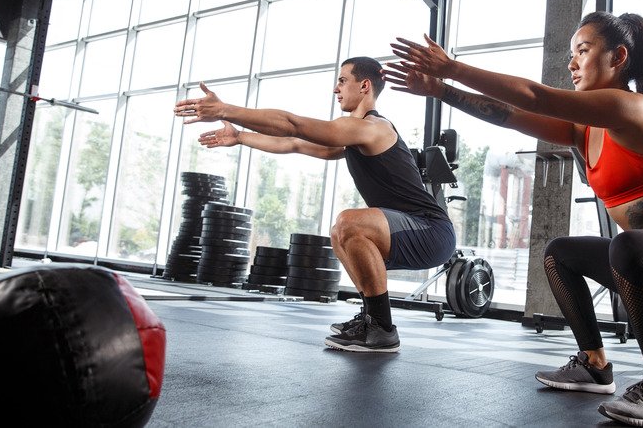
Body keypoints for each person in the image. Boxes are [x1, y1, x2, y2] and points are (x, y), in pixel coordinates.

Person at [384, 12, 643, 426]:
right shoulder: (585, 129)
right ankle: (594, 364)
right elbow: (508, 114)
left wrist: (453, 68)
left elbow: (535, 96)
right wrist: (440, 90)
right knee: (560, 253)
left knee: (627, 244)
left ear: (619, 57)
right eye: (571, 54)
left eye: (583, 52)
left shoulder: (635, 108)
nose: (571, 64)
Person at [174, 57, 456, 353]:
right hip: (407, 230)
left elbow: (292, 125)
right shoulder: (354, 135)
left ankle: (382, 329)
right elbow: (293, 142)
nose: (336, 89)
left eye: (342, 81)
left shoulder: (374, 128)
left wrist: (225, 109)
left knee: (350, 222)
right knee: (339, 233)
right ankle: (372, 317)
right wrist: (241, 136)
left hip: (431, 231)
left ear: (364, 86)